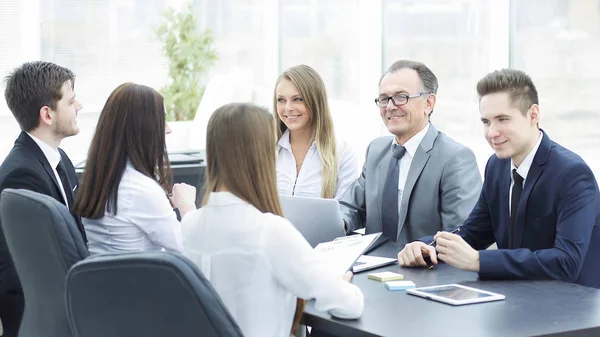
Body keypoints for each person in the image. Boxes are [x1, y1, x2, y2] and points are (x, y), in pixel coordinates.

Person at [398, 69, 600, 288]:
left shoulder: (572, 174)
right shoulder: (497, 165)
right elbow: (473, 233)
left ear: (533, 115)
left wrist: (479, 260)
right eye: (486, 122)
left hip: (571, 308)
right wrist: (426, 246)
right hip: (516, 297)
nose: (492, 133)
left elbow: (567, 262)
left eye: (502, 119)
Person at [181, 103, 363, 337]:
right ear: (263, 158)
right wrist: (341, 284)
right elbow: (350, 305)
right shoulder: (269, 232)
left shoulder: (190, 225)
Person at [338, 60, 482, 245]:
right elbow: (353, 207)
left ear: (428, 103)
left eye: (401, 97)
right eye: (384, 99)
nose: (390, 106)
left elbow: (459, 235)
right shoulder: (376, 150)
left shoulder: (455, 158)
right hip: (370, 267)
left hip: (427, 269)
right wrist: (338, 222)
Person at [0, 61, 85, 337]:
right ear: (47, 115)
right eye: (71, 101)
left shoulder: (59, 158)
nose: (79, 106)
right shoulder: (22, 174)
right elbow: (26, 272)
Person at [73, 82, 196, 255]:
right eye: (162, 120)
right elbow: (193, 251)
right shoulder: (140, 189)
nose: (168, 130)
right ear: (143, 129)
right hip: (140, 281)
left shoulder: (101, 179)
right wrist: (187, 207)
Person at [274, 64, 358, 199]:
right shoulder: (265, 150)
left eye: (298, 99)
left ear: (315, 102)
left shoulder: (342, 154)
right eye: (281, 100)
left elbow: (345, 214)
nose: (288, 108)